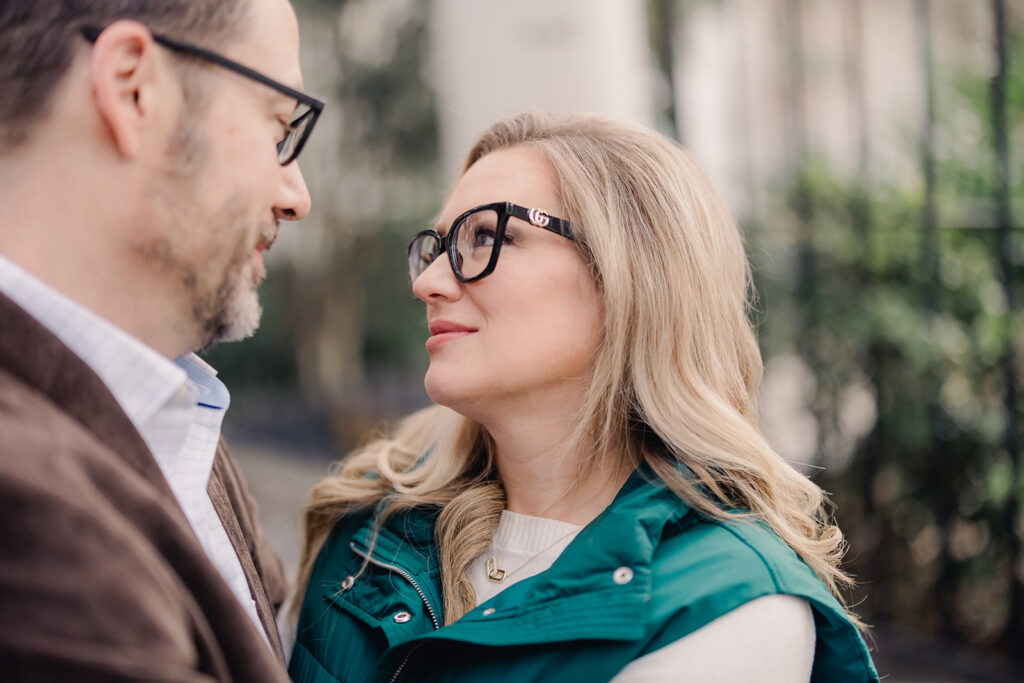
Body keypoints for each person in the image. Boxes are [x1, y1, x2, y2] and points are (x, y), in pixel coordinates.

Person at [289, 112, 879, 682]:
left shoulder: (728, 605)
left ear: (629, 276)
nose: (428, 282)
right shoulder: (371, 527)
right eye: (437, 248)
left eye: (487, 236)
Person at [0, 0, 320, 680]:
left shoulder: (174, 416)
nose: (297, 196)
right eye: (280, 128)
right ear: (132, 90)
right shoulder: (26, 506)